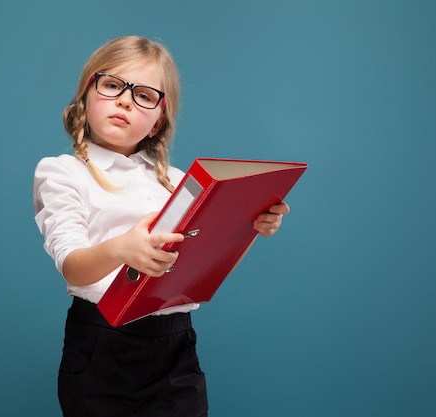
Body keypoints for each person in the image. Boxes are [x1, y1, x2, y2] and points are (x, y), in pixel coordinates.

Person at [33, 35, 290, 417]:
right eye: (112, 85)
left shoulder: (179, 181)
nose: (124, 100)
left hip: (174, 347)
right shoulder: (63, 172)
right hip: (103, 347)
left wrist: (249, 228)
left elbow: (207, 267)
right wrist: (122, 248)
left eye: (145, 96)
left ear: (158, 122)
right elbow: (72, 264)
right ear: (86, 96)